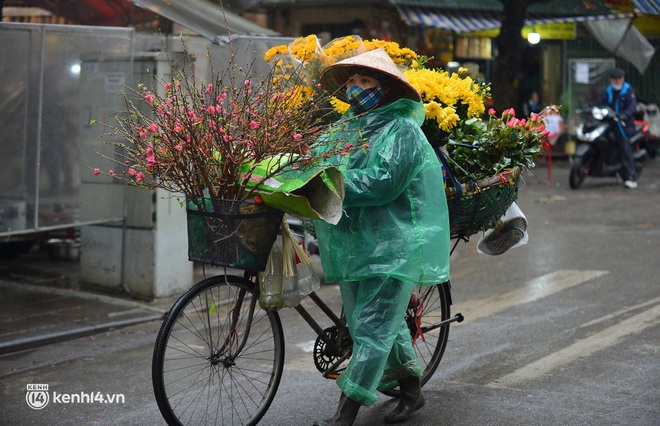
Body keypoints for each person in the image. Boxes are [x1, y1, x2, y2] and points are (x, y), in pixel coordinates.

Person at [312, 48, 451, 425]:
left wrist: (333, 183)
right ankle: (412, 390)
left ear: (385, 88)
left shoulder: (402, 130)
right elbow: (315, 161)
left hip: (396, 245)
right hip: (356, 243)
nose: (357, 88)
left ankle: (345, 413)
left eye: (366, 81)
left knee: (372, 329)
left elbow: (384, 182)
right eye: (353, 81)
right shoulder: (344, 129)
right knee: (369, 326)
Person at [595, 67, 638, 188]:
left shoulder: (628, 91)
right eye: (616, 79)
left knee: (625, 148)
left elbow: (632, 107)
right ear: (611, 80)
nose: (618, 81)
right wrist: (589, 106)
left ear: (623, 79)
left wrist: (624, 115)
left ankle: (631, 177)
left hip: (623, 125)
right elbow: (599, 101)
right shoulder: (608, 90)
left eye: (620, 79)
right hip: (610, 122)